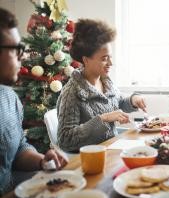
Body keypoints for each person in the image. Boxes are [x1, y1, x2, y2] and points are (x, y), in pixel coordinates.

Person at [0, 8, 68, 198]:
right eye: (16, 49)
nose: (23, 56)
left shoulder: (10, 99)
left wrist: (41, 160)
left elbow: (19, 148)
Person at [57, 19, 146, 152]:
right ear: (86, 60)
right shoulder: (72, 93)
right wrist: (103, 119)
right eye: (104, 59)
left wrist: (133, 100)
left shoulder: (105, 80)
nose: (110, 63)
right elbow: (65, 140)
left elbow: (118, 103)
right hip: (88, 159)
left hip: (111, 150)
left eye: (110, 57)